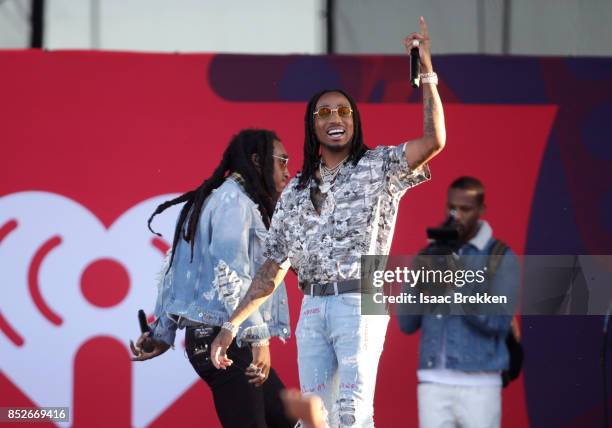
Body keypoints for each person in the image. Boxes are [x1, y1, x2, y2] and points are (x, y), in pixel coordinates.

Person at [211, 17, 446, 428]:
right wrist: (232, 325)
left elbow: (434, 141)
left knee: (353, 413)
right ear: (313, 125)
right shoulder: (297, 190)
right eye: (325, 112)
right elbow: (271, 270)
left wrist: (426, 73)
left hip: (362, 298)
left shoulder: (379, 166)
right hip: (314, 306)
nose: (335, 117)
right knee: (314, 417)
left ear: (354, 120)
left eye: (343, 111)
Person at [130, 129, 295, 428]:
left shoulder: (218, 199)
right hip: (226, 342)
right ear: (257, 161)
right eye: (281, 160)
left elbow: (177, 271)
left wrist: (162, 333)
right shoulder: (234, 203)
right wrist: (259, 339)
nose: (288, 169)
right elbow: (233, 273)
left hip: (221, 338)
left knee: (289, 422)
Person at [398, 176, 520, 428]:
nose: (457, 216)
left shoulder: (499, 256)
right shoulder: (431, 254)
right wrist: (421, 280)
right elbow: (406, 323)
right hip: (432, 381)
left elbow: (498, 322)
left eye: (466, 209)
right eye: (452, 208)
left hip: (480, 383)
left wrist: (456, 287)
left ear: (481, 210)